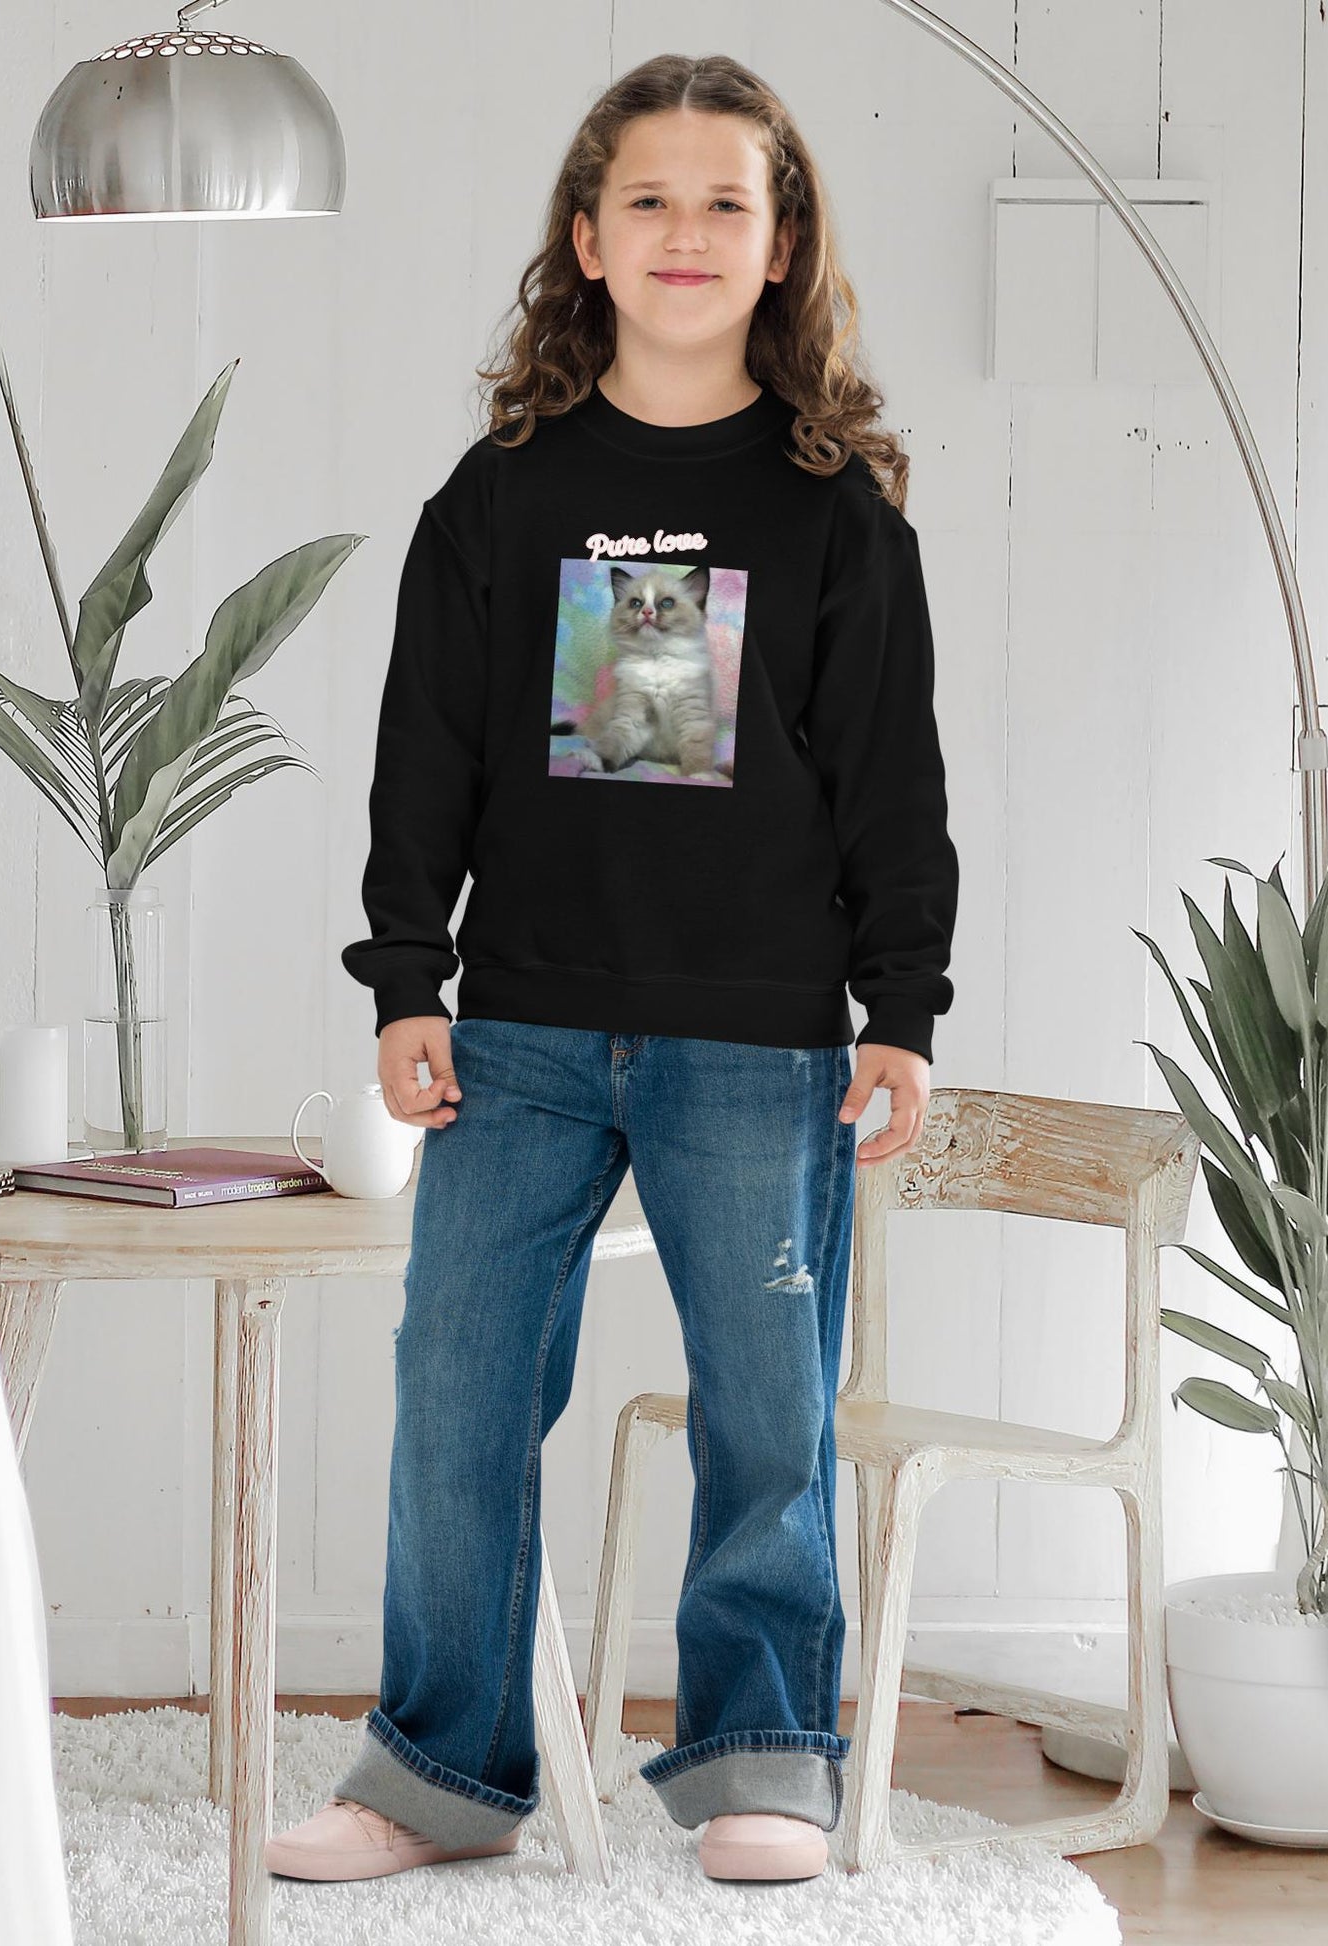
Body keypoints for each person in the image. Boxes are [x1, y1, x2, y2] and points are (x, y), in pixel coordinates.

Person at [265, 50, 959, 1889]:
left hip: (760, 1043)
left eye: (727, 201)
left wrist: (899, 1010)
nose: (685, 231)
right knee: (458, 1396)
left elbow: (893, 784)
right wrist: (406, 981)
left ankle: (761, 1751)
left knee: (767, 1412)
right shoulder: (501, 495)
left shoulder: (835, 511)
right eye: (647, 198)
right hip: (519, 1035)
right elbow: (424, 756)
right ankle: (437, 1775)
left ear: (783, 246)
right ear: (585, 239)